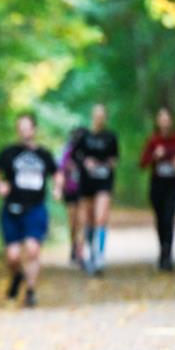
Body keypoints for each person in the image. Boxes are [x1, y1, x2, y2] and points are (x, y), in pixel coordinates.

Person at [0, 113, 63, 308]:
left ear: (34, 129)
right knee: (12, 256)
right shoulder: (9, 152)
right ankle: (18, 274)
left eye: (27, 127)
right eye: (20, 127)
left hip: (35, 208)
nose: (23, 130)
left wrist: (57, 188)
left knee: (32, 249)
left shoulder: (43, 155)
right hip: (11, 210)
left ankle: (30, 291)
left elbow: (58, 173)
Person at [139, 107, 175, 271]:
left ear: (171, 121)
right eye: (162, 118)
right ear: (158, 122)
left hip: (172, 185)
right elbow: (143, 163)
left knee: (169, 218)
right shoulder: (153, 141)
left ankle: (168, 255)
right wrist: (154, 156)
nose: (165, 122)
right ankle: (162, 251)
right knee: (160, 220)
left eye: (168, 118)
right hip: (157, 185)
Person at [73, 104, 119, 275]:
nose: (99, 118)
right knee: (89, 219)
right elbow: (74, 156)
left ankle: (100, 255)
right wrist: (85, 163)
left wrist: (107, 164)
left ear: (105, 117)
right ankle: (91, 251)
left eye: (102, 115)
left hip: (104, 181)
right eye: (96, 114)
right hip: (87, 182)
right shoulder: (83, 135)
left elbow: (115, 158)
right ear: (92, 116)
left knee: (101, 218)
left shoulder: (110, 137)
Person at [59, 127, 87, 266]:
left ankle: (80, 252)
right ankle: (73, 246)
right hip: (70, 190)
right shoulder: (67, 151)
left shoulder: (87, 152)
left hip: (84, 191)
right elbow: (61, 169)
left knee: (81, 221)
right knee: (73, 221)